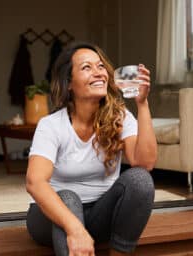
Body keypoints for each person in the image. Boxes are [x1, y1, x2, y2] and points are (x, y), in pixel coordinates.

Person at [26, 41, 157, 256]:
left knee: (140, 180)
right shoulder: (51, 125)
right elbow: (35, 182)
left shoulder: (120, 118)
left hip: (99, 215)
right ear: (69, 83)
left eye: (101, 66)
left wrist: (142, 104)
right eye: (87, 68)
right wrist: (75, 228)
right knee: (67, 198)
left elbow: (145, 163)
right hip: (50, 219)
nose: (98, 73)